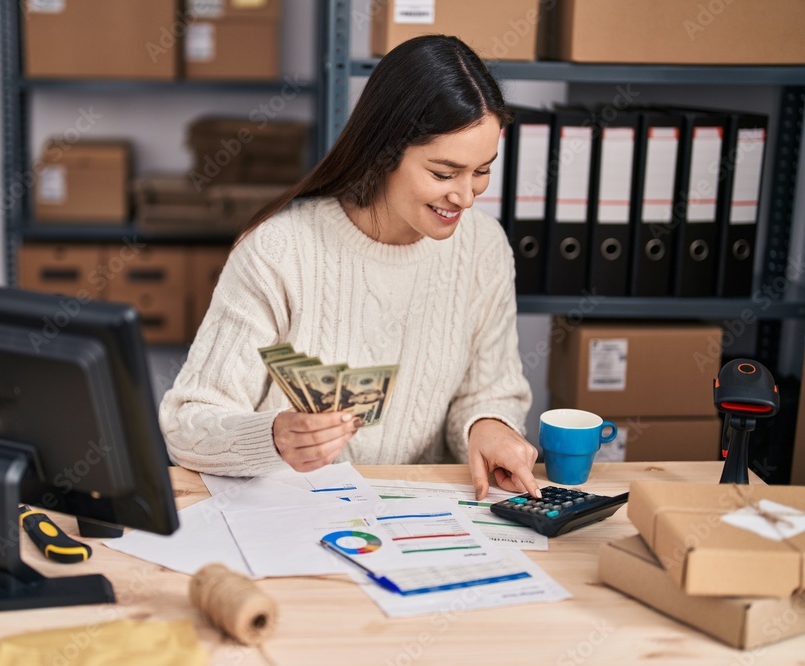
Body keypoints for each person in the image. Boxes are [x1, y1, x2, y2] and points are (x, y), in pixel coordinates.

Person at [159, 34, 540, 501]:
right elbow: (186, 424)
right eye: (443, 174)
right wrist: (274, 437)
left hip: (420, 518)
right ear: (385, 153)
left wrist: (490, 426)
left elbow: (491, 389)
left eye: (481, 170)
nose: (465, 196)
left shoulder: (483, 246)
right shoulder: (279, 250)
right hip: (286, 513)